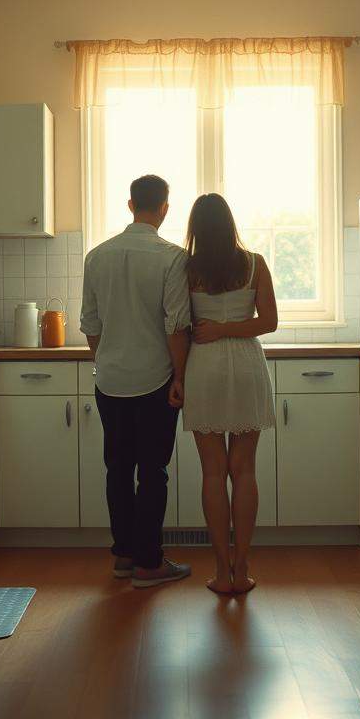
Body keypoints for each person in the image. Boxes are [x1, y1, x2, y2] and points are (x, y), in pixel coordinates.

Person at [79, 174, 193, 588]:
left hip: (110, 380)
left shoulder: (97, 256)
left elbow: (90, 324)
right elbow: (176, 325)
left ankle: (124, 556)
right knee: (153, 472)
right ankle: (149, 563)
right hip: (155, 380)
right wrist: (180, 377)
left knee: (117, 469)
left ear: (130, 205)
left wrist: (108, 359)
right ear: (165, 208)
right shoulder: (172, 257)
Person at [182, 193, 278, 594]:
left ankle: (221, 571)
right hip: (246, 369)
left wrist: (213, 330)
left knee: (212, 472)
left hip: (204, 368)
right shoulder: (254, 264)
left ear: (196, 230)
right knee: (245, 470)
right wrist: (230, 328)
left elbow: (176, 324)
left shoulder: (185, 270)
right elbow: (269, 322)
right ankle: (242, 567)